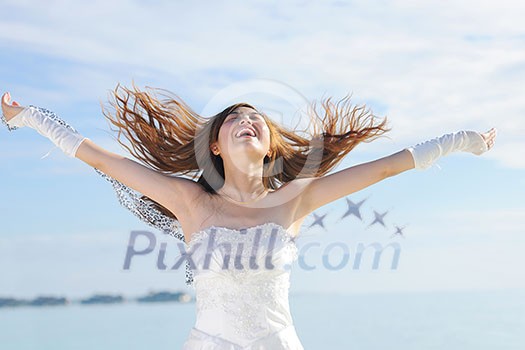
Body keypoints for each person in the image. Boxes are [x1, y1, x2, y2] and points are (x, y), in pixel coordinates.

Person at [1, 85, 497, 349]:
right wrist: (29, 117)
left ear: (271, 146)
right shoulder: (191, 202)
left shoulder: (295, 200)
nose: (247, 120)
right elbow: (105, 160)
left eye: (256, 117)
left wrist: (462, 141)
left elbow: (387, 167)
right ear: (214, 145)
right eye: (233, 118)